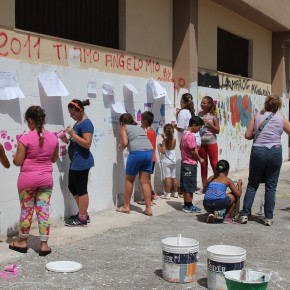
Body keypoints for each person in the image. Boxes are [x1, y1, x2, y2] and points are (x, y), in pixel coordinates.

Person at [9, 106, 59, 256]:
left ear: (30, 120)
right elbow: (54, 159)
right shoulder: (53, 138)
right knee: (43, 211)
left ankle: (22, 242)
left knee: (26, 210)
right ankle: (44, 245)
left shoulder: (25, 138)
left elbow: (17, 162)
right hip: (46, 180)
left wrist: (15, 155)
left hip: (27, 182)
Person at [238, 94, 290, 226]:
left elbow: (248, 135)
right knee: (271, 186)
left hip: (258, 151)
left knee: (252, 184)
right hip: (275, 151)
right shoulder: (281, 118)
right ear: (277, 106)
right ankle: (268, 217)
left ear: (265, 104)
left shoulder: (256, 117)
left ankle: (244, 214)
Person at [60, 99, 94, 227]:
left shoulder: (86, 124)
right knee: (72, 187)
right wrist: (66, 139)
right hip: (76, 161)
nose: (71, 116)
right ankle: (83, 212)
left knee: (81, 189)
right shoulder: (78, 122)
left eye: (73, 113)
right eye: (70, 114)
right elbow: (76, 141)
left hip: (82, 161)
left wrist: (72, 134)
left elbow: (87, 143)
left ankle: (83, 218)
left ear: (80, 110)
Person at [117, 113, 153, 216]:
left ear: (122, 122)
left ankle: (126, 207)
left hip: (137, 153)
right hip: (149, 151)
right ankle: (148, 209)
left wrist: (120, 148)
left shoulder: (124, 127)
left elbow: (124, 142)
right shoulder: (138, 127)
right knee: (145, 182)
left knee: (129, 179)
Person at [180, 116, 204, 213]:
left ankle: (186, 204)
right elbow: (193, 151)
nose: (199, 130)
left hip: (184, 162)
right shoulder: (191, 136)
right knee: (190, 186)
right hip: (190, 164)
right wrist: (200, 159)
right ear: (194, 125)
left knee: (186, 185)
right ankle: (189, 205)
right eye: (199, 127)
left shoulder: (184, 134)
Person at [198, 96, 220, 193]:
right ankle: (205, 187)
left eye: (204, 103)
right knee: (203, 164)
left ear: (209, 104)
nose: (202, 104)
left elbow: (217, 130)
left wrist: (209, 123)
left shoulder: (213, 115)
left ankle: (218, 185)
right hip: (201, 143)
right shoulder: (199, 114)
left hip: (211, 142)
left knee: (214, 164)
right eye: (201, 102)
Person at [137, 111, 158, 205]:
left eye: (141, 120)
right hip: (152, 158)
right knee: (148, 179)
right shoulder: (152, 130)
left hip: (149, 157)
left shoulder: (148, 132)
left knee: (145, 180)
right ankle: (152, 194)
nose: (140, 122)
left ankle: (148, 199)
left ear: (145, 121)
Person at [157, 123, 178, 199]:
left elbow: (163, 151)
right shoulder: (174, 140)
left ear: (165, 132)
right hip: (173, 160)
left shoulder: (164, 141)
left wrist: (159, 147)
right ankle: (176, 193)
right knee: (174, 177)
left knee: (168, 177)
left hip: (166, 160)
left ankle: (168, 194)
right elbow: (171, 147)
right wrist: (164, 138)